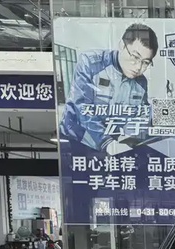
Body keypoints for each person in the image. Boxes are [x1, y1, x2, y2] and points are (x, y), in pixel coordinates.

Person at [59, 23, 159, 152]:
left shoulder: (141, 82)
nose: (138, 67)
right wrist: (106, 142)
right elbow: (82, 108)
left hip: (114, 147)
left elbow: (142, 113)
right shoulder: (90, 63)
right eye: (135, 57)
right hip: (75, 142)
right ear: (122, 45)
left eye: (145, 62)